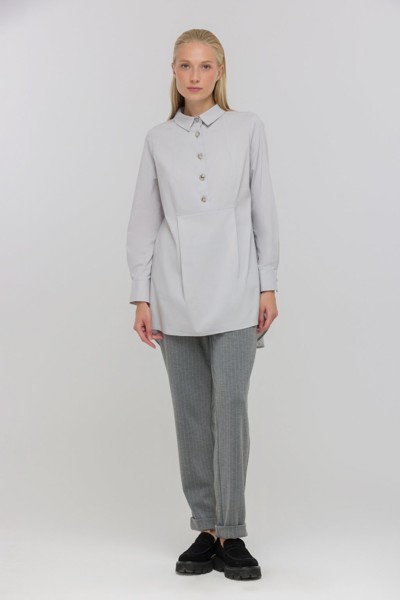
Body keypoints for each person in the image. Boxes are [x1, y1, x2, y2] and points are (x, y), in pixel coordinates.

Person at [126, 28, 279, 581]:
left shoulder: (247, 128)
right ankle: (206, 527)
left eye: (205, 65)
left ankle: (232, 532)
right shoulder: (157, 139)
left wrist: (268, 282)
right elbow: (144, 220)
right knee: (191, 413)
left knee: (230, 406)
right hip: (175, 294)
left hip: (237, 290)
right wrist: (141, 294)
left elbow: (263, 208)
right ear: (173, 71)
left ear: (220, 71)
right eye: (185, 65)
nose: (195, 75)